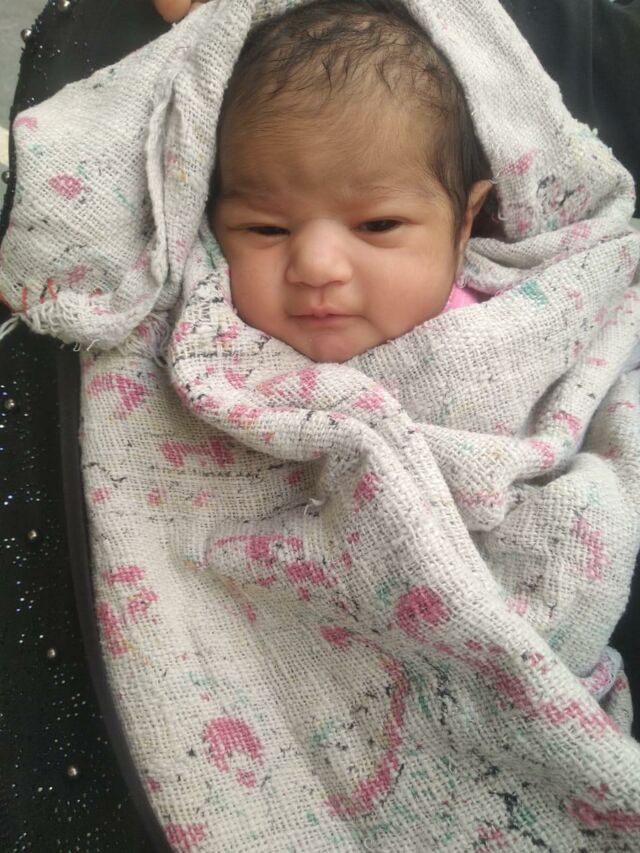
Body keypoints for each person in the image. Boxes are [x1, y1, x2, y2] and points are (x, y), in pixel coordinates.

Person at [1, 0, 638, 850]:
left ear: (467, 224)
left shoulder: (512, 329)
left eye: (378, 225)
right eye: (264, 228)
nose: (316, 265)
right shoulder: (212, 346)